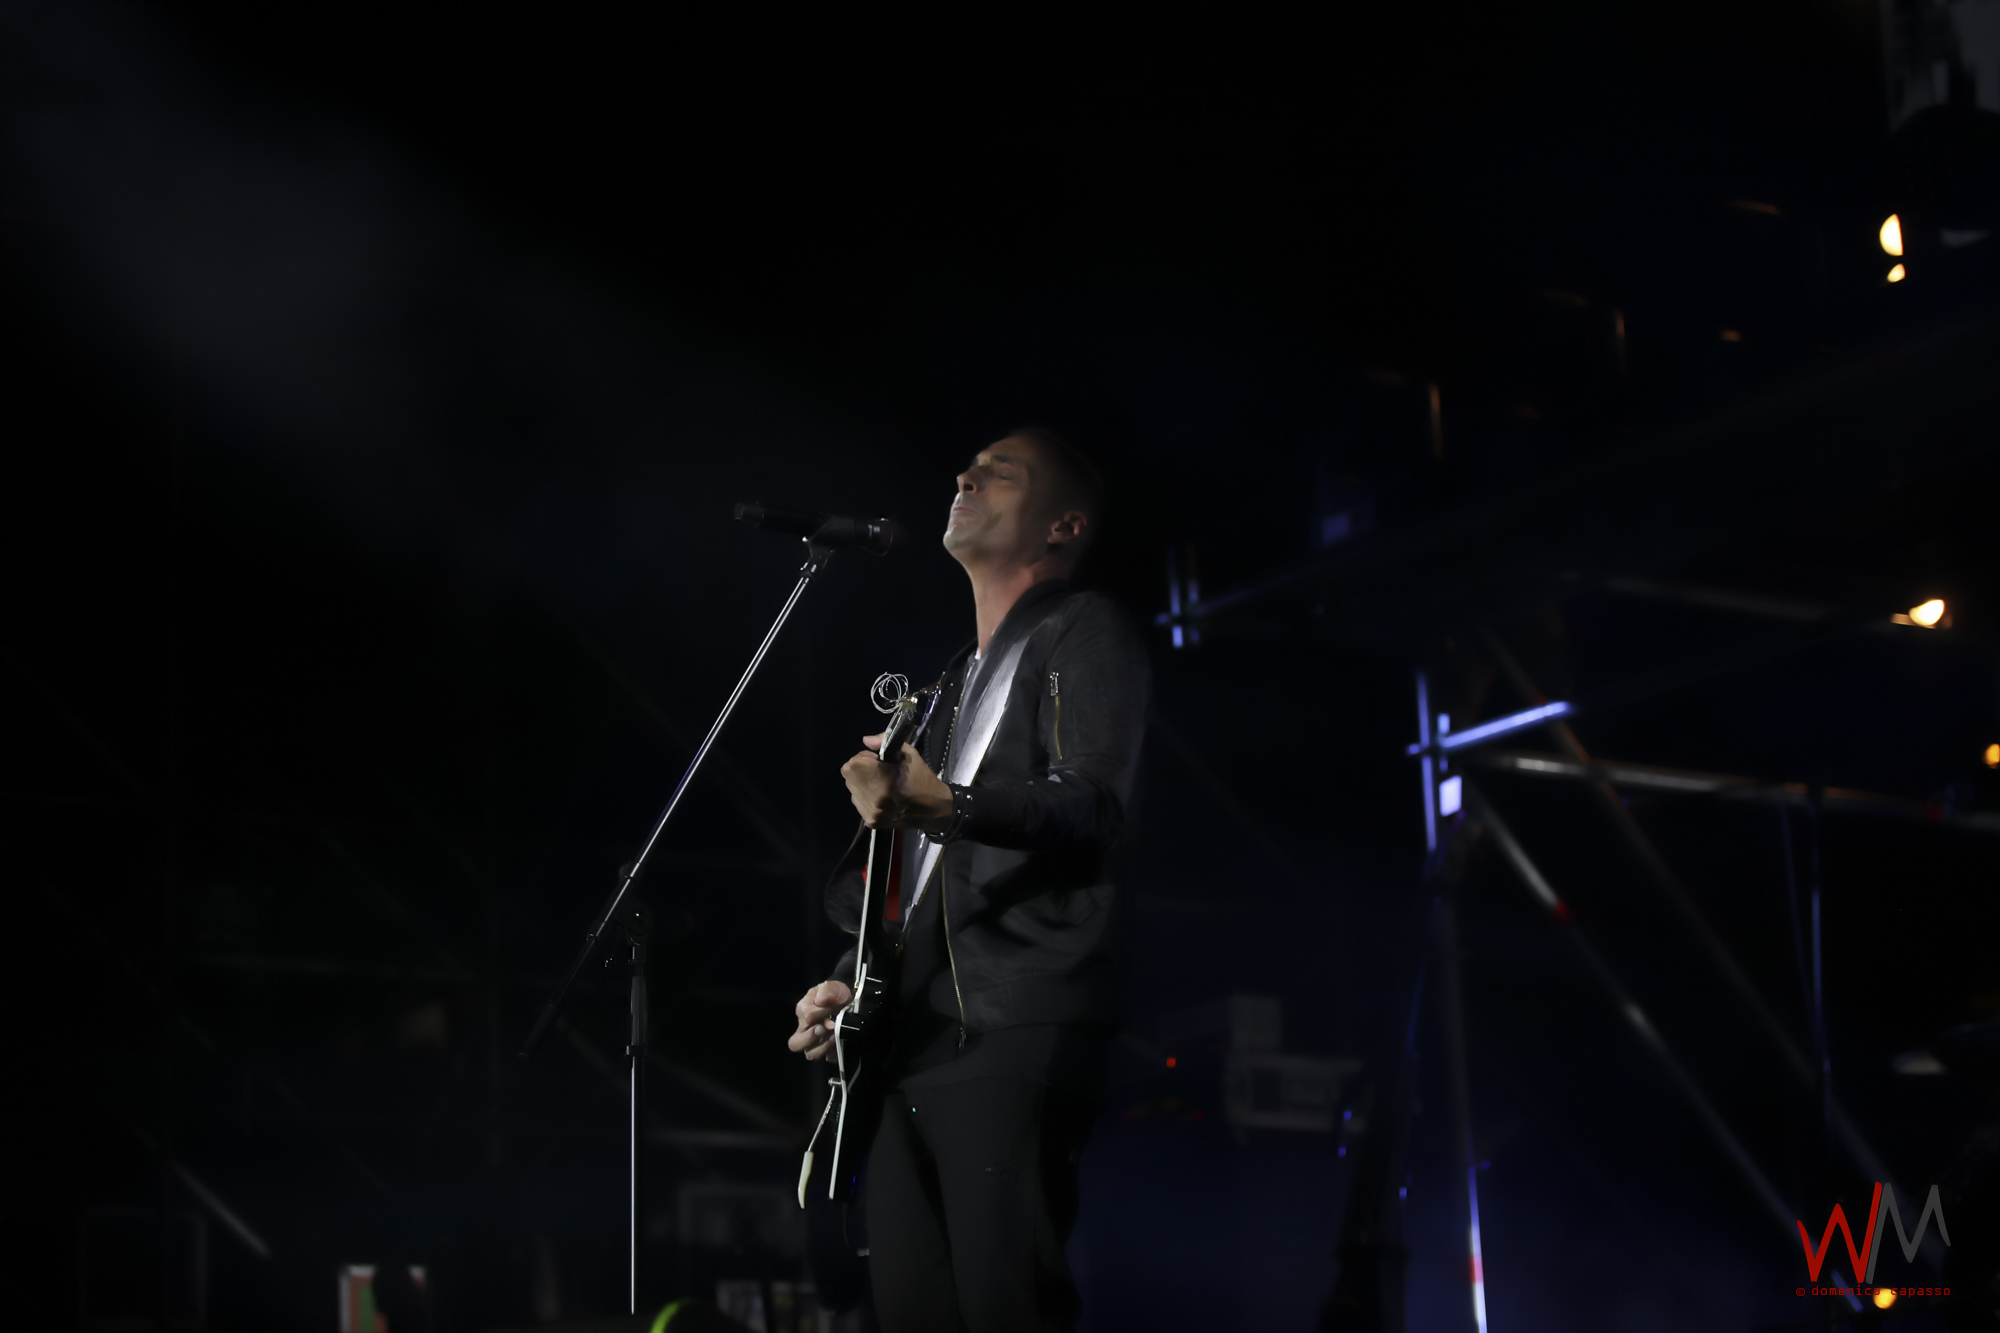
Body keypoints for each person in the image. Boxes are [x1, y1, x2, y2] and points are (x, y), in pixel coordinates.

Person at [786, 428, 1151, 1332]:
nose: (965, 475)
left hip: (1010, 1020)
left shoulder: (1084, 629)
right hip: (908, 1036)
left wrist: (946, 801)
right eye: (968, 467)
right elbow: (921, 879)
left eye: (1000, 472)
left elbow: (1091, 804)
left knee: (1006, 1302)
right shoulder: (949, 685)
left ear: (1063, 525)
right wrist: (850, 978)